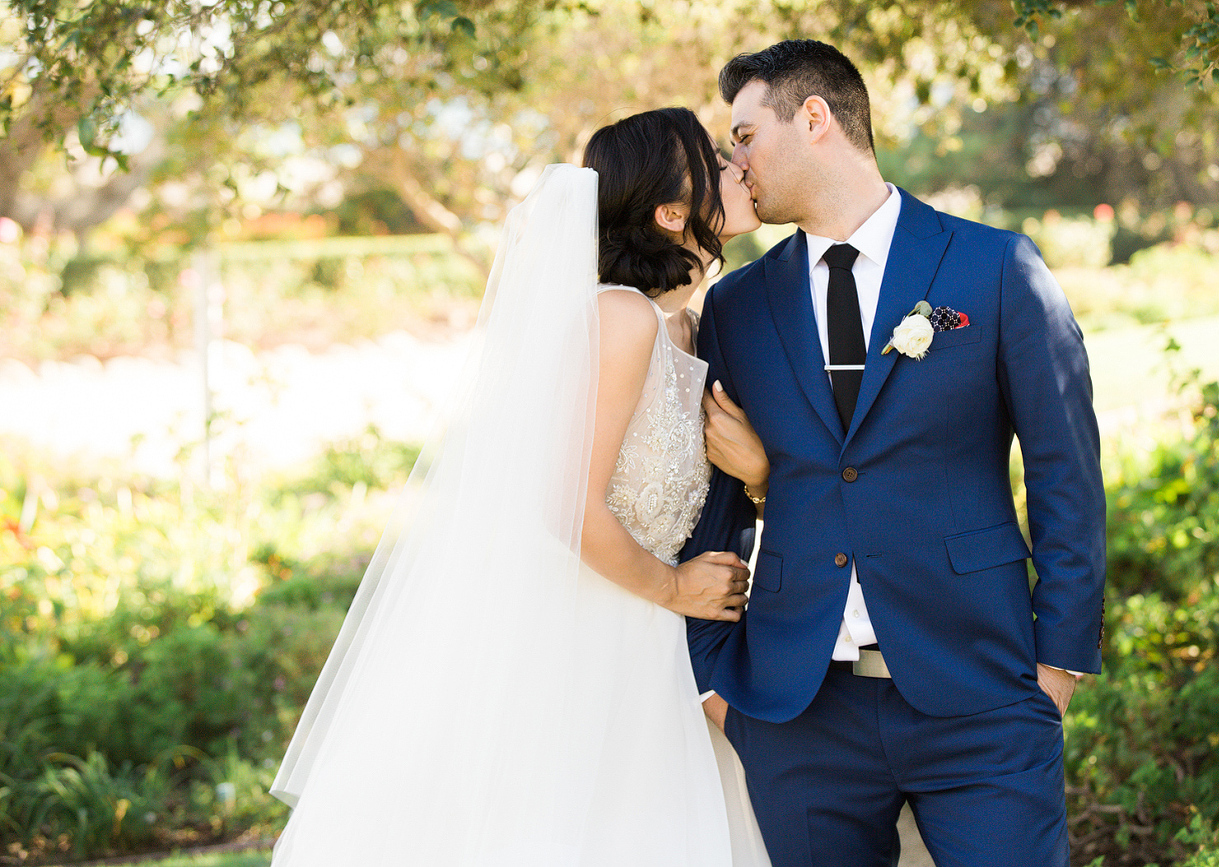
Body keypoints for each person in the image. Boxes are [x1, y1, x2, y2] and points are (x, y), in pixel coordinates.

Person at [267, 107, 771, 865]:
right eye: (713, 158)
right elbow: (567, 504)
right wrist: (672, 589)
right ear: (672, 212)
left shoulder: (683, 326)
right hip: (582, 637)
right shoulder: (620, 316)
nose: (735, 165)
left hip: (648, 649)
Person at [682, 40, 1107, 867]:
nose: (732, 162)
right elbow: (711, 507)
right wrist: (714, 678)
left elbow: (1066, 475)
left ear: (813, 119)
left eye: (742, 135)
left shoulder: (993, 267)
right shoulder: (735, 305)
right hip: (796, 715)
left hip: (981, 696)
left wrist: (1056, 666)